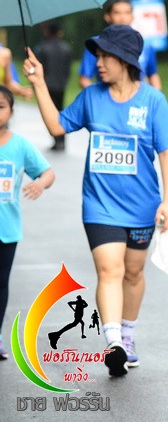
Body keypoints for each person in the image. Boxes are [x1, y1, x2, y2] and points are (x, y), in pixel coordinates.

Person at [24, 24, 168, 377]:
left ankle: (128, 333)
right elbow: (57, 127)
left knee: (134, 272)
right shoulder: (91, 97)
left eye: (106, 56)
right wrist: (39, 84)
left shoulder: (153, 101)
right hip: (100, 205)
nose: (98, 63)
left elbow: (167, 153)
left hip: (142, 205)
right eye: (98, 56)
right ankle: (114, 344)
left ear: (126, 60)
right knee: (110, 269)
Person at [0, 84, 55, 360]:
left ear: (11, 112)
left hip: (6, 231)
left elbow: (48, 173)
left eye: (1, 107)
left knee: (0, 283)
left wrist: (40, 184)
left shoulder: (20, 145)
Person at [78, 0, 162, 90]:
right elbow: (85, 79)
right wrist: (99, 97)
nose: (122, 17)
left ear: (132, 16)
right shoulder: (96, 44)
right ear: (107, 16)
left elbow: (153, 75)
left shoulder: (145, 44)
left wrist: (155, 96)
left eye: (127, 13)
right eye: (117, 13)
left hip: (137, 96)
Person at [34, 21, 73, 151]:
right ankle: (61, 140)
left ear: (47, 32)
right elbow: (68, 68)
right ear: (59, 33)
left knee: (49, 111)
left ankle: (56, 139)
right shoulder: (67, 48)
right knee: (60, 110)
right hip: (61, 84)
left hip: (47, 84)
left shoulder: (42, 47)